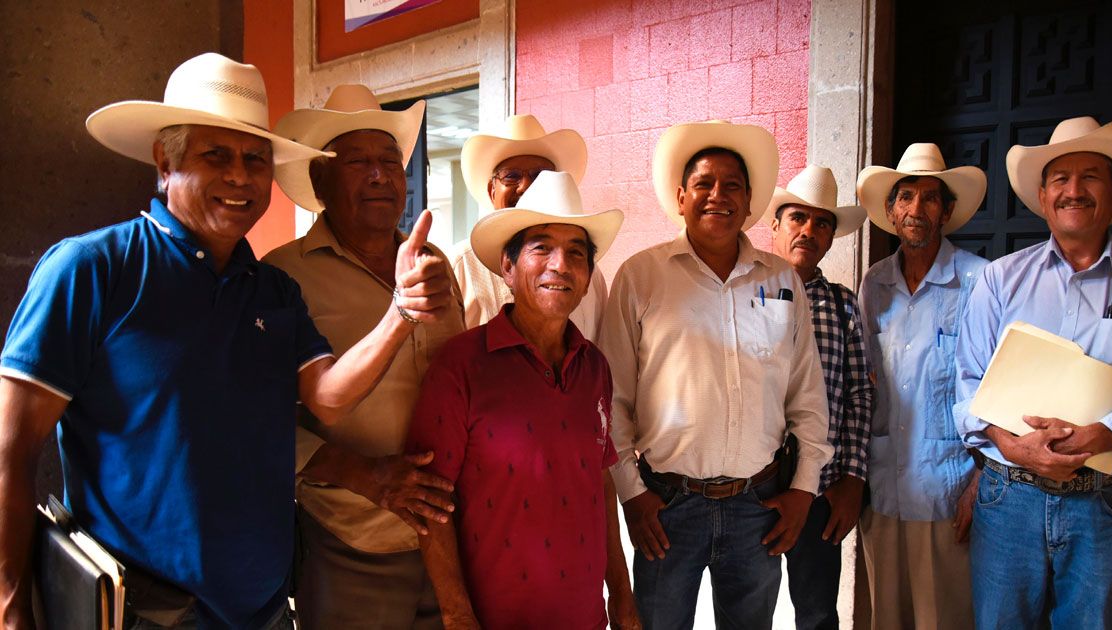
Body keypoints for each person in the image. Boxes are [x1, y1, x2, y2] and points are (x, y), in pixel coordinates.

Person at [0, 53, 452, 628]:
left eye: (255, 159)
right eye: (216, 155)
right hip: (146, 611)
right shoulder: (93, 270)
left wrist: (400, 313)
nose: (240, 176)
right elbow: (9, 453)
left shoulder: (273, 290)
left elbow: (329, 397)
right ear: (165, 162)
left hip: (263, 610)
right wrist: (10, 609)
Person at [954, 116, 1112, 629]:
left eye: (1090, 176)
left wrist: (1103, 433)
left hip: (1101, 506)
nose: (1073, 190)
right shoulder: (999, 280)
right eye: (1060, 179)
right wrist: (1012, 444)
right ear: (1043, 196)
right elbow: (968, 384)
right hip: (1008, 496)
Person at [599, 120, 832, 628]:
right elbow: (611, 399)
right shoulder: (641, 277)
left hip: (759, 506)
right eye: (703, 184)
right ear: (681, 197)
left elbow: (807, 396)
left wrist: (803, 490)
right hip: (665, 506)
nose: (717, 196)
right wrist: (632, 495)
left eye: (732, 186)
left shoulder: (781, 279)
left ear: (750, 202)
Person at [263, 84, 465, 628]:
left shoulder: (434, 263)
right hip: (350, 543)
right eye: (358, 162)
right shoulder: (281, 277)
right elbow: (261, 422)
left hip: (448, 540)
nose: (380, 175)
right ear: (319, 182)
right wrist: (364, 475)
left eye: (389, 161)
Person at [406, 171, 637, 628]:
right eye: (541, 248)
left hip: (585, 616)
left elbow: (601, 485)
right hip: (495, 617)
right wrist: (456, 615)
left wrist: (623, 595)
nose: (560, 265)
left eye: (576, 253)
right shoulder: (461, 366)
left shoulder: (595, 369)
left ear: (589, 277)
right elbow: (428, 507)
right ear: (507, 269)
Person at [855, 143, 988, 629]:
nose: (916, 209)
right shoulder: (874, 284)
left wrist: (981, 483)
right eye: (905, 197)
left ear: (947, 210)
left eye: (930, 198)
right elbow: (865, 386)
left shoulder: (980, 280)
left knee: (946, 618)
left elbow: (999, 391)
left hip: (949, 493)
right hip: (885, 486)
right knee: (887, 618)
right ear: (890, 212)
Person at [768, 165, 873, 629]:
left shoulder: (843, 304)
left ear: (832, 236)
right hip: (755, 487)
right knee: (748, 607)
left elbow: (858, 396)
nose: (808, 231)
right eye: (798, 218)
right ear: (776, 224)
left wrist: (852, 477)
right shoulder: (746, 292)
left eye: (822, 223)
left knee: (816, 612)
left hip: (822, 489)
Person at [454, 114, 608, 338]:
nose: (526, 186)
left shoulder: (588, 274)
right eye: (511, 176)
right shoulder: (460, 265)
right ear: (492, 191)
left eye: (540, 176)